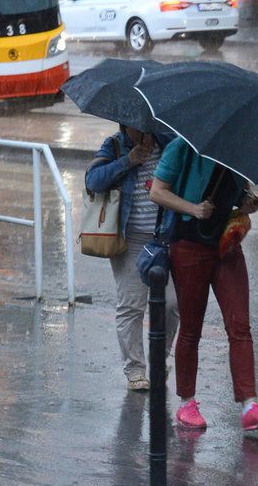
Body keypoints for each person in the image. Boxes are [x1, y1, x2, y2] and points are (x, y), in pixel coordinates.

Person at [149, 138, 258, 432]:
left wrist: (247, 202)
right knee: (191, 328)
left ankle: (249, 405)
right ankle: (186, 403)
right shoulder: (182, 146)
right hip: (189, 244)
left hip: (226, 244)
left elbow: (240, 195)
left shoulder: (240, 150)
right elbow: (157, 192)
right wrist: (192, 208)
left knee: (239, 325)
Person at [84, 125, 179, 392]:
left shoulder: (169, 142)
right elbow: (92, 181)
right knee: (131, 305)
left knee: (171, 303)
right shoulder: (114, 145)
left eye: (146, 126)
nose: (143, 132)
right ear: (125, 125)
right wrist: (129, 160)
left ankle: (161, 356)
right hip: (132, 238)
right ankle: (136, 370)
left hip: (165, 238)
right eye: (137, 128)